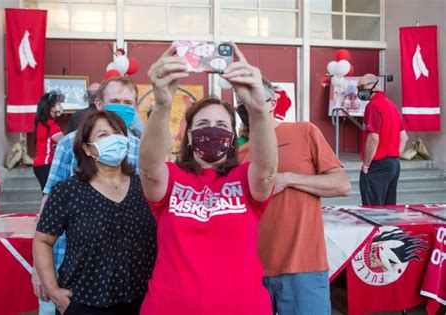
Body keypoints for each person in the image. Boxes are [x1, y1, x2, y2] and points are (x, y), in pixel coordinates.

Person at [138, 43, 277, 315]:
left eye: (222, 126)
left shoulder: (244, 179)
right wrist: (163, 104)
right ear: (188, 136)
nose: (212, 131)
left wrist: (258, 108)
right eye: (202, 125)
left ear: (233, 137)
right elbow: (148, 169)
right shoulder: (172, 178)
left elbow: (268, 170)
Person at [32, 76, 152, 315]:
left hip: (132, 283)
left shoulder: (143, 149)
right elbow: (48, 209)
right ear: (98, 104)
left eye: (128, 102)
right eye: (115, 100)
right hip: (79, 275)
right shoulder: (69, 146)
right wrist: (43, 275)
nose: (122, 106)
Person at [238, 79, 351, 315]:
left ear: (273, 102)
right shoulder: (240, 153)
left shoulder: (304, 131)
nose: (249, 105)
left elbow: (341, 184)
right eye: (242, 103)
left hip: (304, 266)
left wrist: (289, 179)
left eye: (255, 97)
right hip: (252, 269)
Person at [358, 73, 408, 206]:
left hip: (377, 165)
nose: (360, 90)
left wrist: (366, 165)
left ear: (374, 86)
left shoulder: (373, 106)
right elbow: (404, 137)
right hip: (393, 165)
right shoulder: (392, 105)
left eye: (362, 86)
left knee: (373, 211)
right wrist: (394, 156)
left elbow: (373, 138)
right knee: (389, 210)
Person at [33, 91, 65, 191]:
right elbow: (64, 141)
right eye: (57, 104)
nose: (59, 106)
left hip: (40, 165)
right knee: (50, 196)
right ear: (50, 107)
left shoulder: (41, 123)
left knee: (47, 195)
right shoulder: (50, 124)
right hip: (47, 164)